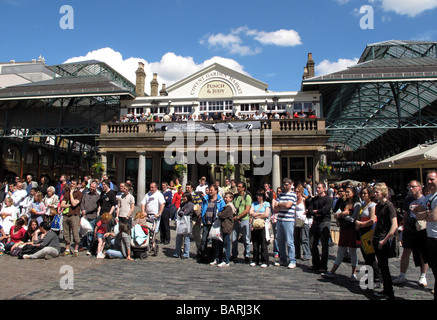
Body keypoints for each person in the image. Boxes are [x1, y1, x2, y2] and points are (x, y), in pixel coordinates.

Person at [393, 180, 428, 287]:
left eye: (413, 187)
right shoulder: (408, 200)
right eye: (410, 187)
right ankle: (402, 275)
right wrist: (404, 227)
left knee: (423, 253)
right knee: (406, 252)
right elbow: (406, 215)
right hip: (409, 229)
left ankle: (423, 276)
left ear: (419, 188)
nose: (411, 189)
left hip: (421, 229)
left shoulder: (425, 200)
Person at [322, 186, 361, 281]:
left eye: (348, 192)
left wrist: (342, 215)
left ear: (353, 193)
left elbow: (353, 218)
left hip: (352, 229)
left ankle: (353, 273)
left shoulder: (357, 204)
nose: (346, 193)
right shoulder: (344, 202)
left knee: (352, 252)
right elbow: (336, 213)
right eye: (345, 192)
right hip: (344, 228)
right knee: (341, 250)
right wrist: (343, 214)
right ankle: (332, 271)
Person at [413, 170, 437, 300]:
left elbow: (434, 217)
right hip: (429, 236)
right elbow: (417, 214)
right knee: (433, 265)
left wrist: (426, 214)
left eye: (432, 179)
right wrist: (428, 212)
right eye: (427, 180)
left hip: (436, 236)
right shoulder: (429, 197)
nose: (429, 182)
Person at [372, 182, 398, 300]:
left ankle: (389, 292)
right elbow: (378, 223)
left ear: (383, 193)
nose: (375, 194)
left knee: (384, 266)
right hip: (377, 238)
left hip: (384, 239)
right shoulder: (378, 206)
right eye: (375, 192)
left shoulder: (389, 206)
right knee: (381, 266)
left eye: (377, 192)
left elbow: (394, 225)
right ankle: (385, 289)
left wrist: (385, 240)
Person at [354, 186, 380, 286]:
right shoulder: (363, 204)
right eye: (362, 194)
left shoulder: (372, 205)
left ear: (370, 194)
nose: (363, 195)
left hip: (369, 232)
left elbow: (373, 219)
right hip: (362, 232)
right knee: (365, 256)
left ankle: (377, 278)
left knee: (371, 256)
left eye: (365, 193)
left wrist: (361, 224)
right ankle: (369, 277)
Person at [307, 182, 333, 273]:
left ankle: (323, 266)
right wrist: (315, 212)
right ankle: (316, 264)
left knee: (324, 245)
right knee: (312, 243)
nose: (317, 189)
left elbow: (325, 210)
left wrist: (317, 211)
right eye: (316, 188)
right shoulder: (314, 199)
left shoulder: (328, 199)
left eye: (319, 188)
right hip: (315, 223)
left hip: (324, 223)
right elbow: (309, 210)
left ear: (324, 188)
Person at [272, 178, 297, 269]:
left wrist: (280, 205)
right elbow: (275, 207)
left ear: (290, 185)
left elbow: (288, 205)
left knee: (290, 241)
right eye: (284, 185)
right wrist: (281, 205)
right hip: (280, 219)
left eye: (286, 184)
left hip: (289, 220)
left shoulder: (293, 194)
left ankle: (292, 260)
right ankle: (283, 259)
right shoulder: (281, 194)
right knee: (280, 241)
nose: (284, 186)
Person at [200, 184, 225, 264]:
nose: (210, 192)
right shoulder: (206, 199)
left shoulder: (220, 200)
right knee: (204, 240)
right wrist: (202, 216)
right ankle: (203, 256)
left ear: (216, 191)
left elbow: (222, 210)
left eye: (211, 190)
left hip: (215, 224)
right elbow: (203, 208)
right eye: (209, 190)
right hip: (206, 222)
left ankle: (215, 258)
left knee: (215, 242)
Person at [60, 179, 83, 257]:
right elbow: (62, 205)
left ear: (76, 185)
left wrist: (71, 194)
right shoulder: (66, 194)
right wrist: (68, 205)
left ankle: (76, 250)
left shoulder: (79, 194)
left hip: (74, 215)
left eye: (74, 184)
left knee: (75, 233)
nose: (72, 185)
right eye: (71, 184)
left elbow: (74, 203)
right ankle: (67, 249)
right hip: (66, 215)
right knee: (66, 233)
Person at [231, 182, 252, 263]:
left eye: (240, 187)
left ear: (244, 188)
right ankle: (234, 255)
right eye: (237, 186)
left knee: (246, 238)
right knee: (234, 238)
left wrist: (239, 217)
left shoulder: (247, 197)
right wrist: (234, 217)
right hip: (235, 220)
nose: (238, 188)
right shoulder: (235, 196)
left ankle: (247, 254)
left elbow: (247, 210)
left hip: (244, 219)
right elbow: (232, 207)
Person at [249, 190, 271, 268]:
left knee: (263, 243)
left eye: (260, 196)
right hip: (255, 225)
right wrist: (261, 214)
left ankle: (264, 260)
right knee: (255, 243)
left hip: (262, 225)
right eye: (257, 195)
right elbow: (251, 212)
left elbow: (267, 214)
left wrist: (256, 215)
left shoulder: (266, 204)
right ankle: (255, 259)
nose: (258, 197)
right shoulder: (254, 204)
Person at [216, 192, 236, 267]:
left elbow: (222, 215)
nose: (225, 199)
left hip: (227, 227)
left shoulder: (229, 207)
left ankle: (226, 260)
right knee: (224, 243)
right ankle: (223, 259)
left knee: (226, 244)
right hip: (225, 227)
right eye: (225, 197)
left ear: (231, 199)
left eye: (227, 197)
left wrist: (219, 213)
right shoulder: (227, 206)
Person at [80, 181, 100, 254]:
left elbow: (95, 206)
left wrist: (87, 211)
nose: (91, 188)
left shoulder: (97, 196)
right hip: (84, 216)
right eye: (90, 187)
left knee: (90, 232)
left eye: (93, 187)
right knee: (83, 231)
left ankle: (89, 246)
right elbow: (82, 203)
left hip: (92, 216)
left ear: (96, 188)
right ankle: (84, 245)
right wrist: (83, 210)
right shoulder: (86, 195)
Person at [174, 192, 194, 259]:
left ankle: (186, 253)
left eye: (185, 197)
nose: (184, 198)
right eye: (183, 196)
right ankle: (177, 252)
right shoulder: (182, 204)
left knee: (186, 239)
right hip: (181, 222)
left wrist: (182, 211)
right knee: (178, 238)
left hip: (187, 222)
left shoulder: (190, 204)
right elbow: (179, 211)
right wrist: (181, 211)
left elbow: (186, 212)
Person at [185, 182, 203, 257]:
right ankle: (184, 251)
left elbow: (200, 205)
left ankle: (200, 250)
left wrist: (198, 212)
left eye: (188, 188)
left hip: (194, 218)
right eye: (186, 187)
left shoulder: (196, 196)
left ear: (192, 188)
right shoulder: (184, 195)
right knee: (185, 234)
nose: (187, 189)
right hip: (185, 218)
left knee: (196, 234)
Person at [294, 184, 311, 261]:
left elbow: (310, 207)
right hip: (296, 221)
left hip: (304, 221)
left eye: (297, 192)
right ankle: (297, 254)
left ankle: (306, 254)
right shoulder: (294, 200)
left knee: (304, 238)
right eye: (295, 192)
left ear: (301, 192)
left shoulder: (304, 200)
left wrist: (307, 211)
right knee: (296, 239)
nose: (296, 193)